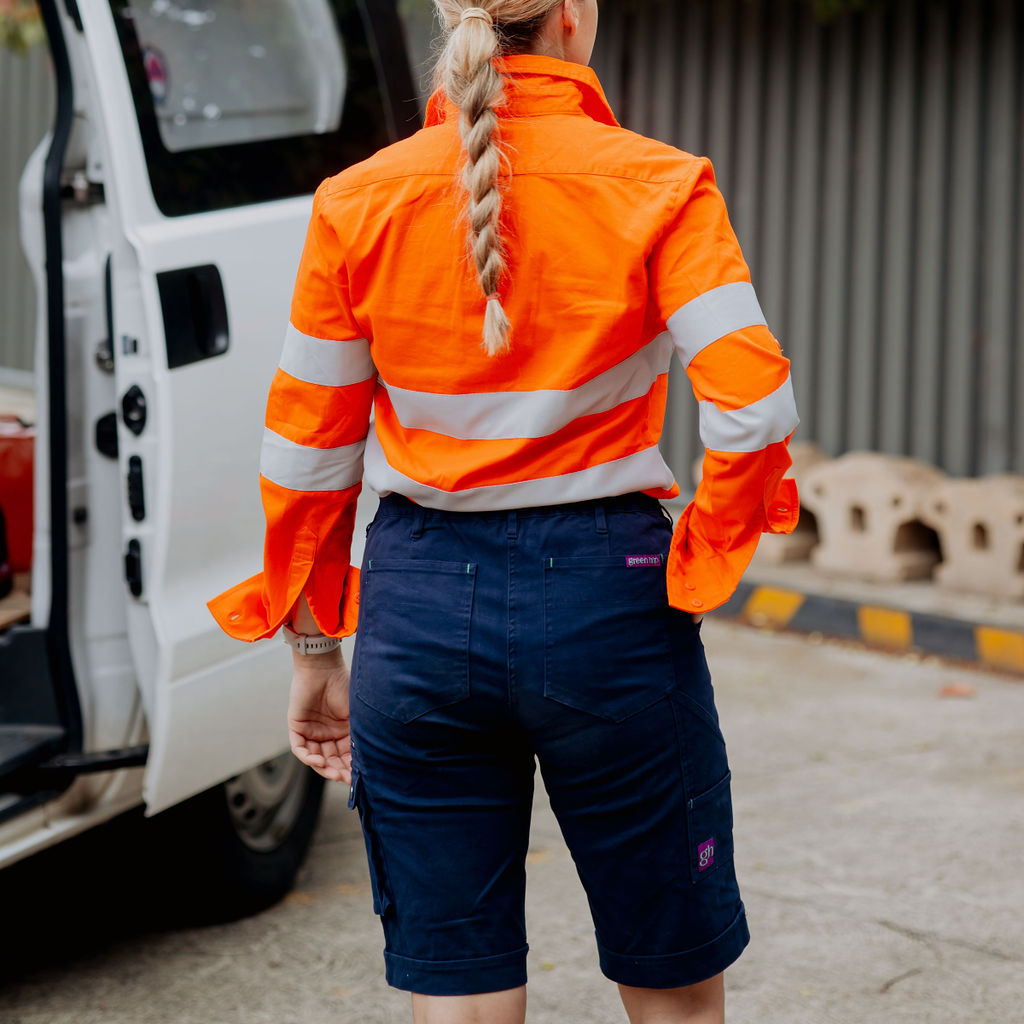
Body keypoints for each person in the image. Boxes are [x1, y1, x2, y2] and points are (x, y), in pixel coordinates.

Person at [210, 2, 799, 1021]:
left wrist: (313, 647)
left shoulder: (354, 202)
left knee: (462, 990)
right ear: (572, 16)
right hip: (608, 604)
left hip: (418, 607)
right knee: (671, 986)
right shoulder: (659, 184)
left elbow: (304, 458)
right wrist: (697, 563)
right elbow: (753, 407)